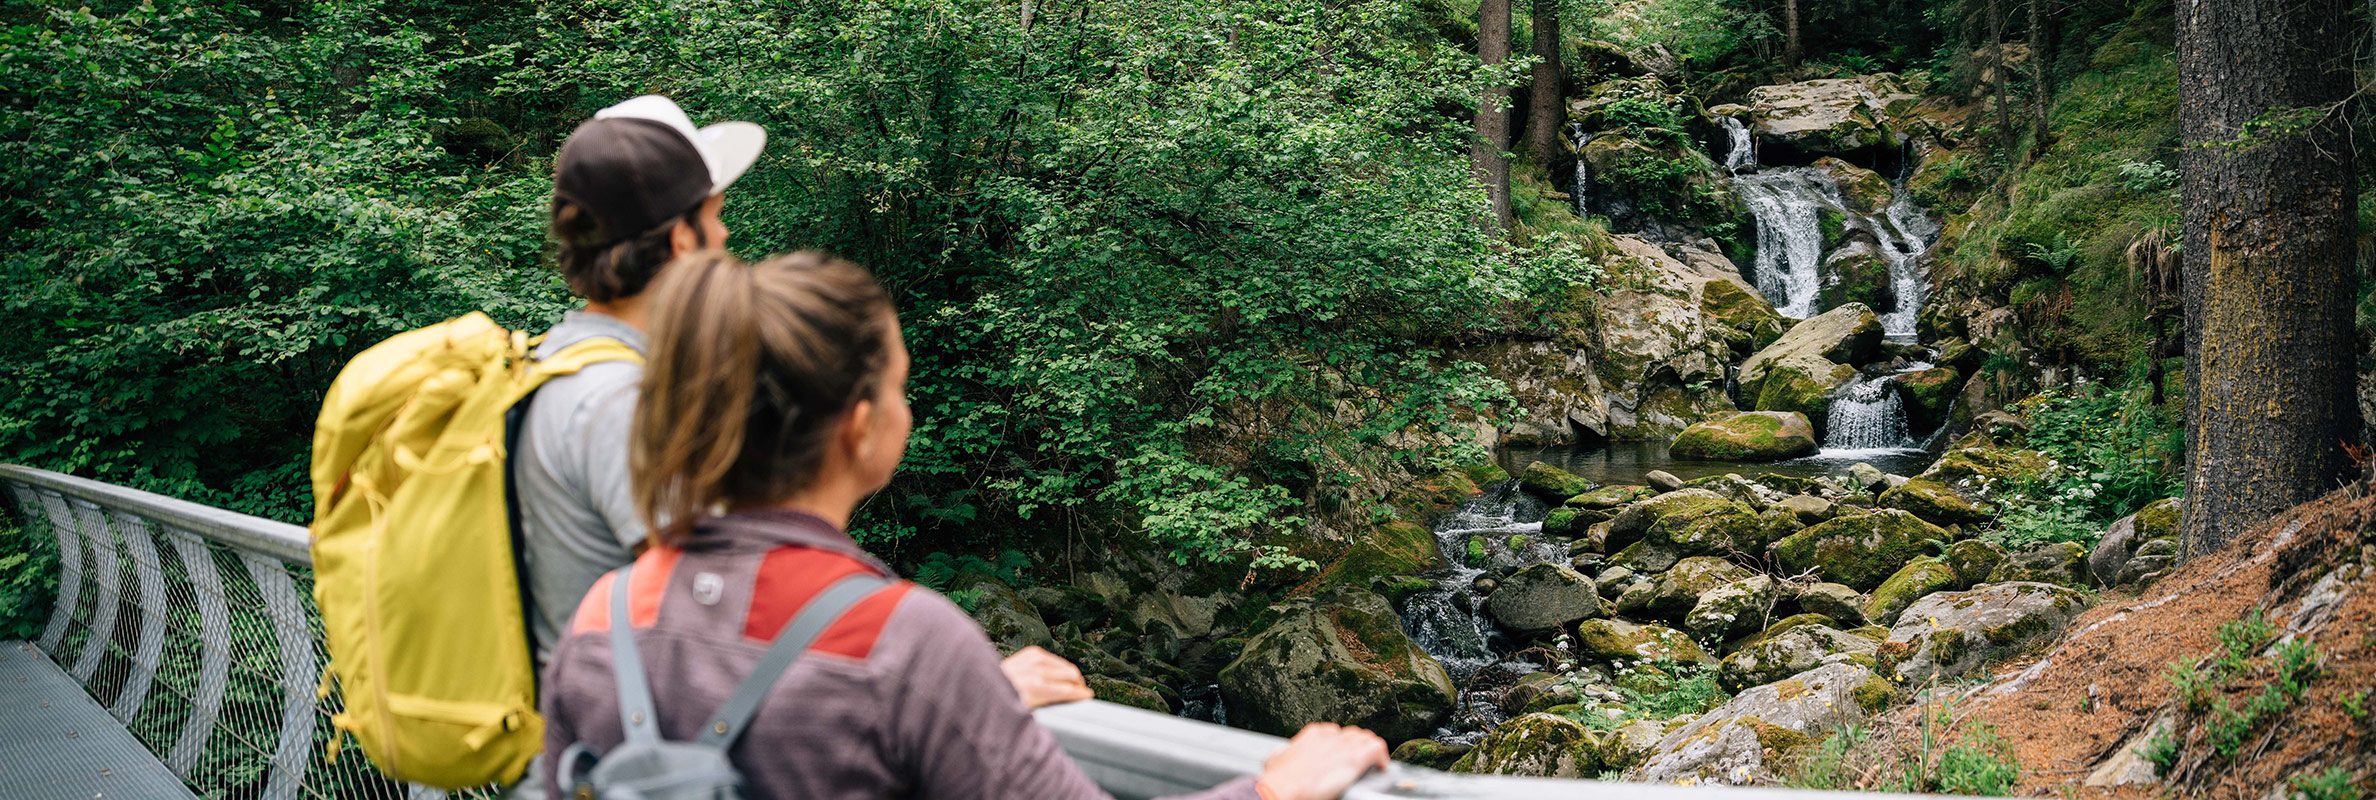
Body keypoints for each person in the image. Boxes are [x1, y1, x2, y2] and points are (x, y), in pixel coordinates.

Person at [537, 251, 1390, 800]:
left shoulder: (607, 615)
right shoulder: (904, 644)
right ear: (858, 427)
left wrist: (969, 705)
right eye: (901, 387)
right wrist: (1277, 789)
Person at [517, 95, 1090, 708]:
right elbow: (719, 633)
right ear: (683, 238)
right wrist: (965, 698)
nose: (727, 234)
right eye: (717, 215)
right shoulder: (622, 404)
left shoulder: (556, 362)